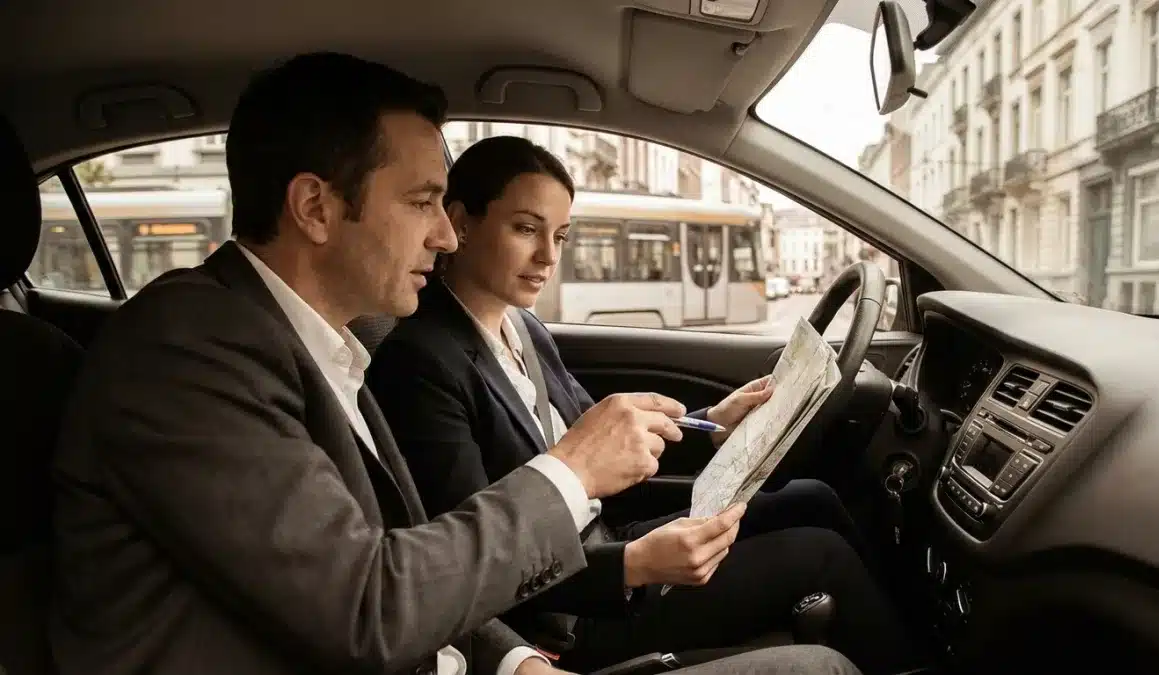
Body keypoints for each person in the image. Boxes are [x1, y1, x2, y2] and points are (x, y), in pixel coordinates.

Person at [46, 52, 863, 675]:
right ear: (316, 208)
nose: (444, 235)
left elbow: (410, 554)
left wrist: (513, 659)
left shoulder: (322, 344)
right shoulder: (186, 352)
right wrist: (571, 470)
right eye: (421, 202)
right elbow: (369, 606)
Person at [365, 136, 919, 675]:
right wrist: (633, 566)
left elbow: (612, 443)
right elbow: (475, 565)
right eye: (526, 229)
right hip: (567, 610)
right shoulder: (422, 362)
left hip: (606, 539)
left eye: (560, 235)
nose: (548, 256)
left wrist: (712, 427)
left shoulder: (523, 328)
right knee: (819, 554)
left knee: (813, 497)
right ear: (461, 223)